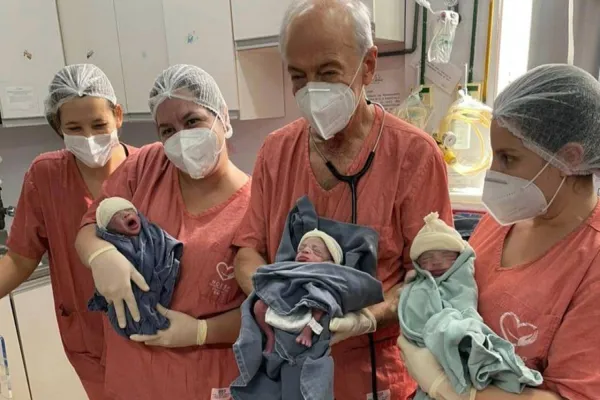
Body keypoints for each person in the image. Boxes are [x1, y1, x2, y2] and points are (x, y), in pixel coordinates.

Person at [232, 1, 453, 398]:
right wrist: (276, 300)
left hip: (374, 374)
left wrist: (366, 318)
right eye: (298, 77)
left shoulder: (413, 156)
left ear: (368, 66)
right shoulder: (276, 152)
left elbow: (432, 280)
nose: (311, 89)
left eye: (328, 72)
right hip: (287, 365)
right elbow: (248, 250)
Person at [398, 64, 600, 400]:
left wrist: (450, 388)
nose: (494, 174)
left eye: (508, 158)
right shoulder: (505, 219)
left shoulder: (590, 262)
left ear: (569, 157)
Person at [74, 64, 250, 400]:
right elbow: (88, 225)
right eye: (167, 130)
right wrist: (100, 254)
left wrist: (201, 331)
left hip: (206, 377)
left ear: (223, 117)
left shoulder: (255, 206)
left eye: (192, 121)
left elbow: (268, 310)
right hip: (133, 373)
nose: (181, 137)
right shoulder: (147, 166)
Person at [0, 64, 135, 400]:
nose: (89, 138)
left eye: (98, 125)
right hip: (87, 337)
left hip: (148, 331)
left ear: (118, 115)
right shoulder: (46, 176)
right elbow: (20, 259)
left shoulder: (148, 169)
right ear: (58, 127)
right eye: (74, 128)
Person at [398, 212, 542, 400]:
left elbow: (464, 302)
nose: (436, 262)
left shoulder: (463, 273)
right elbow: (414, 311)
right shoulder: (492, 224)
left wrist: (444, 386)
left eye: (446, 255)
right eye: (427, 259)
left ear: (460, 257)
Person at [87, 197, 183, 339]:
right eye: (117, 215)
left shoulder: (152, 234)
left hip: (160, 300)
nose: (126, 214)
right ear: (109, 228)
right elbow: (85, 235)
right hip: (127, 316)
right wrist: (100, 252)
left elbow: (167, 246)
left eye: (129, 210)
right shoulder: (112, 245)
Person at [254, 228, 343, 352]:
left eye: (316, 251)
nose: (305, 250)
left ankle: (307, 332)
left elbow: (327, 299)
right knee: (259, 306)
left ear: (328, 263)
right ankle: (270, 336)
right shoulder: (289, 269)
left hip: (306, 316)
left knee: (321, 304)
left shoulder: (323, 277)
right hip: (281, 308)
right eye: (301, 249)